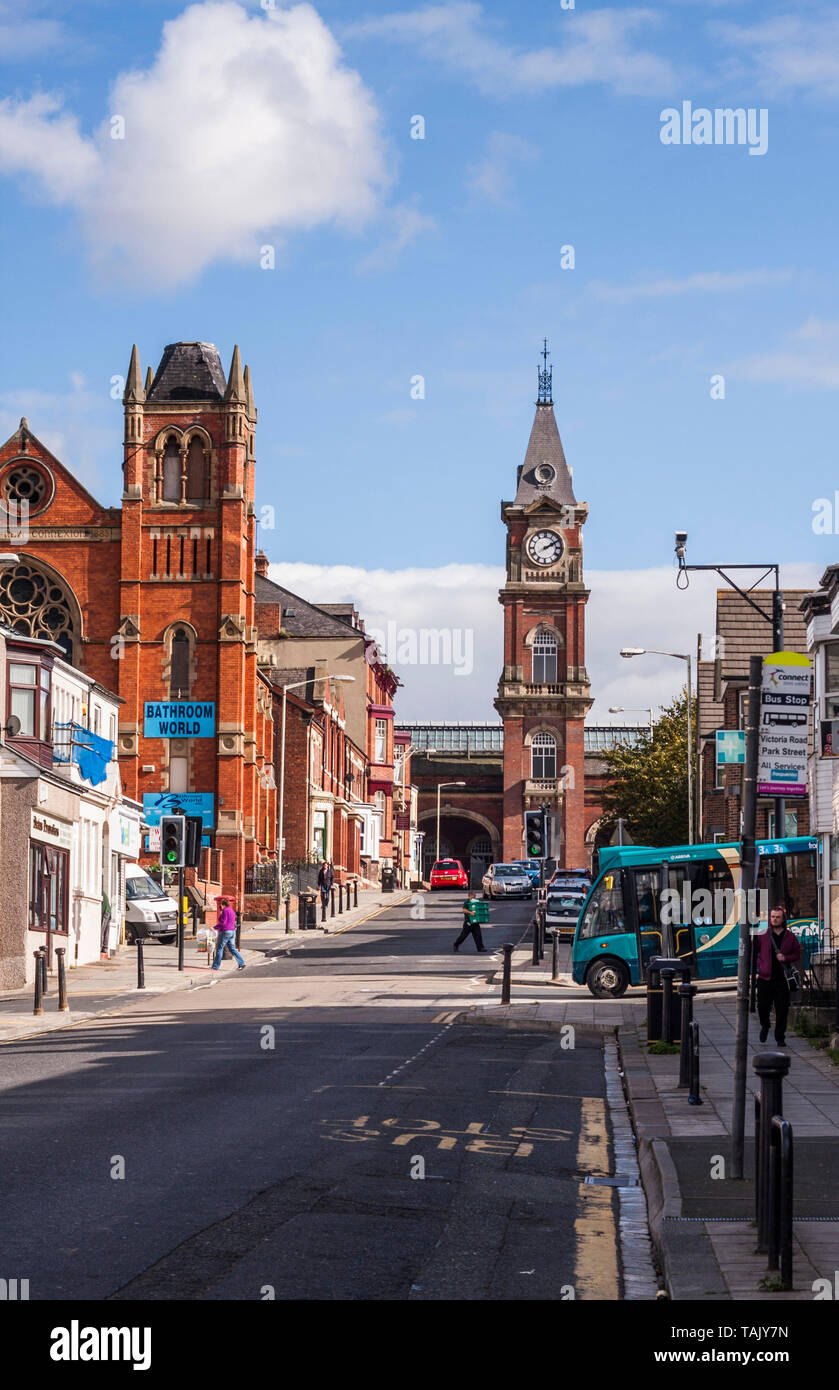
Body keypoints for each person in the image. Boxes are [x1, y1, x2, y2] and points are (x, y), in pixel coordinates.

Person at [756, 904, 800, 1046]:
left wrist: (785, 958)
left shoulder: (790, 936)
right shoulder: (762, 935)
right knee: (762, 1006)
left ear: (783, 919)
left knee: (782, 1009)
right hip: (765, 977)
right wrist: (760, 964)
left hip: (782, 979)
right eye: (772, 917)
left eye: (777, 917)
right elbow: (753, 952)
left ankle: (780, 1037)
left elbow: (797, 954)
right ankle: (765, 1024)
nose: (774, 919)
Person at [211, 898, 245, 971]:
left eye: (221, 905)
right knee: (232, 949)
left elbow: (223, 922)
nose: (220, 906)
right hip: (232, 932)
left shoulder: (225, 911)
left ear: (223, 904)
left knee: (219, 948)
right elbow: (222, 919)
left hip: (225, 931)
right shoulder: (232, 911)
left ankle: (215, 966)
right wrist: (221, 912)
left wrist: (214, 927)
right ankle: (241, 963)